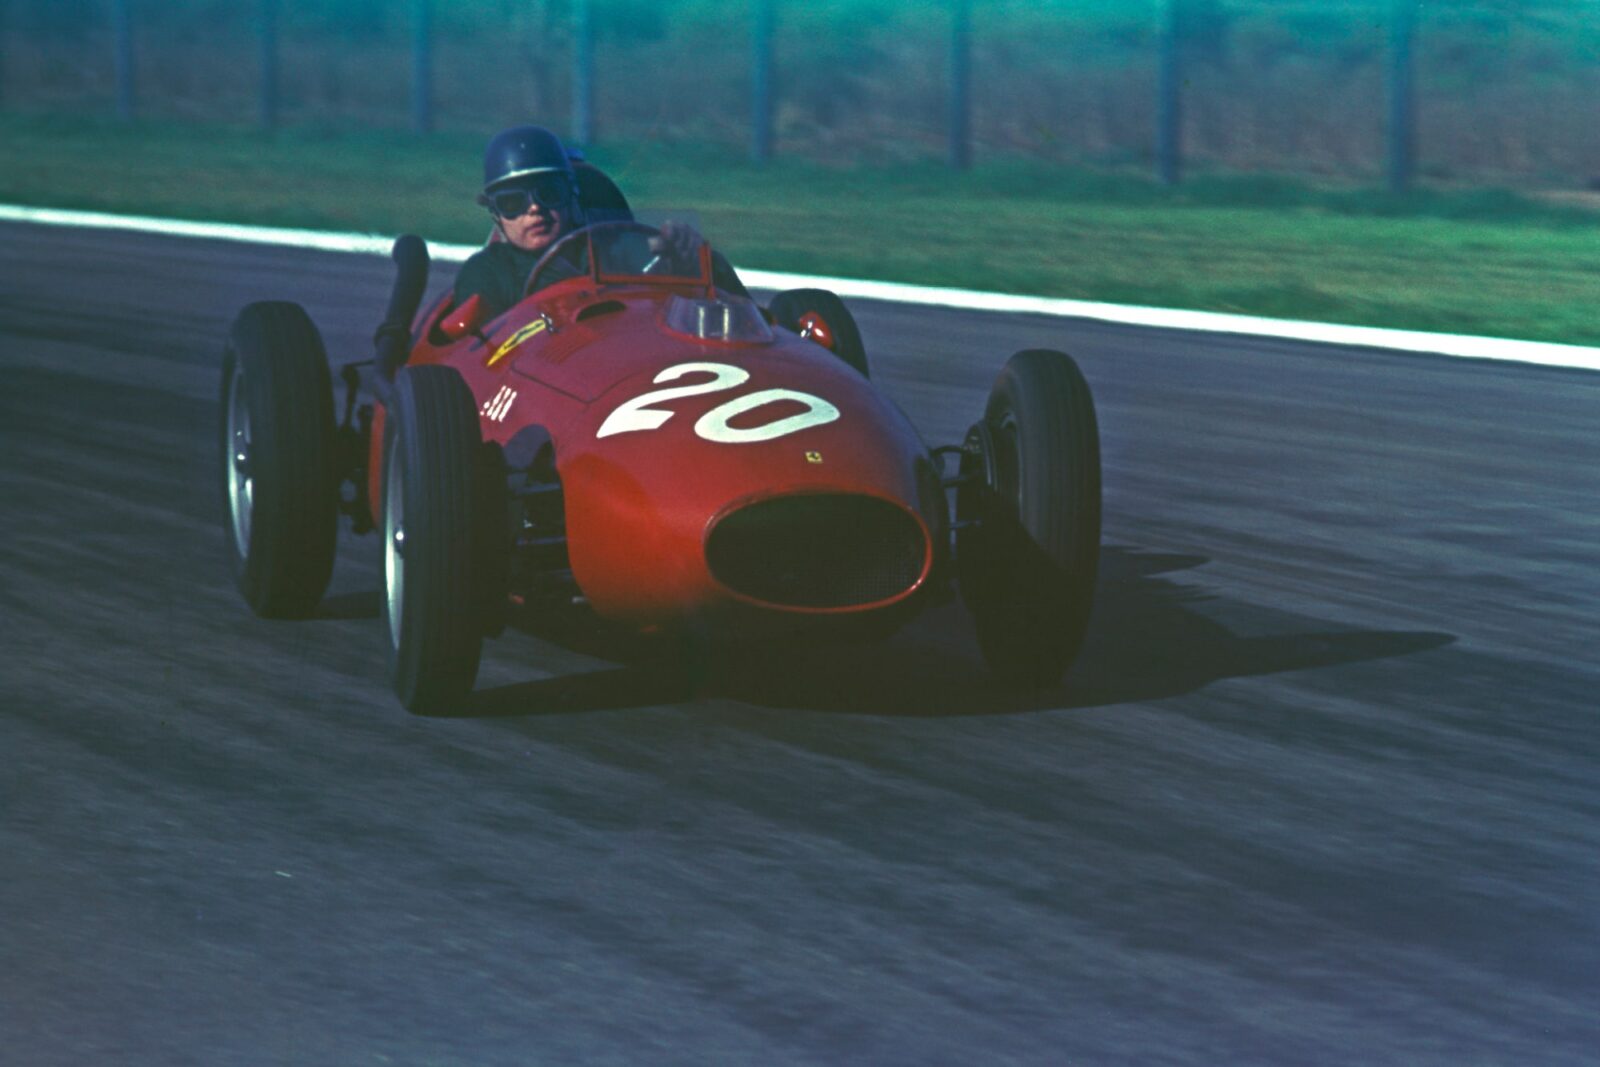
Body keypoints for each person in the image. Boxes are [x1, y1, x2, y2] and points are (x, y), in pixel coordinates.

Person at [452, 124, 746, 320]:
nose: (534, 208)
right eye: (514, 202)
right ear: (496, 215)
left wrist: (688, 261)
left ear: (571, 196)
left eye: (549, 194)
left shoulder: (615, 252)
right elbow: (475, 357)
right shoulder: (487, 272)